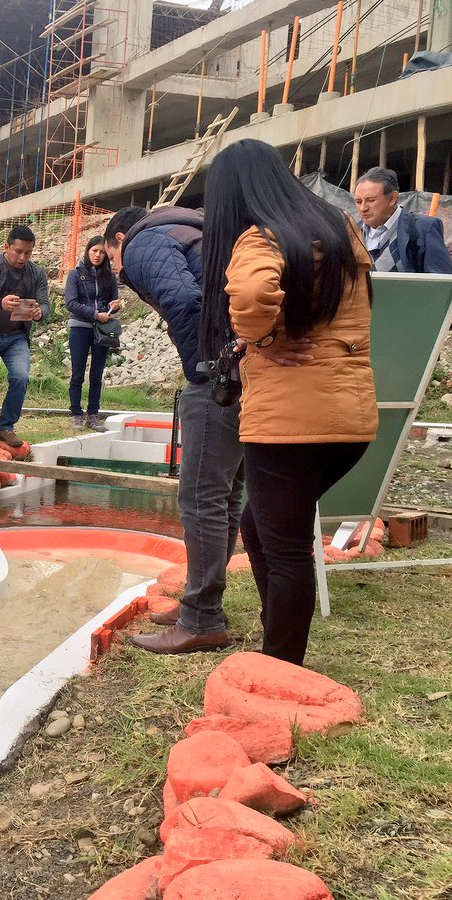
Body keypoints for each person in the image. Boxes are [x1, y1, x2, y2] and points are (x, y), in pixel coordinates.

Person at [201, 139, 377, 667]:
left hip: (289, 423)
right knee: (260, 528)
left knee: (286, 548)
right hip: (351, 418)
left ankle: (281, 666)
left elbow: (251, 295)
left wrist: (261, 337)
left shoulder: (261, 237)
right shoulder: (339, 228)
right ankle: (276, 637)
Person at [104, 205, 243, 654]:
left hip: (221, 372)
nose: (117, 270)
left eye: (112, 259)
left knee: (201, 498)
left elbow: (183, 300)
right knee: (225, 495)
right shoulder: (190, 231)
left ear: (119, 239)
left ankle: (201, 619)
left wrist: (202, 369)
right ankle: (203, 604)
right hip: (248, 366)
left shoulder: (143, 242)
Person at [0, 225, 49, 450]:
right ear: (6, 247)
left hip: (17, 337)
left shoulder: (37, 273)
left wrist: (40, 313)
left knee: (21, 377)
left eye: (28, 253)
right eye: (18, 252)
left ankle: (6, 426)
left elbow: (45, 304)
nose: (22, 257)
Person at [64, 236, 121, 430]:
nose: (98, 255)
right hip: (80, 327)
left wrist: (114, 306)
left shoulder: (109, 276)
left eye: (102, 252)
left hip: (102, 330)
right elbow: (71, 303)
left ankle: (93, 414)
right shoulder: (75, 274)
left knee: (97, 374)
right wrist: (96, 314)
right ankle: (76, 413)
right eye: (94, 251)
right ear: (88, 251)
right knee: (77, 374)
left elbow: (113, 301)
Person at [353, 166, 452, 274]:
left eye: (370, 200)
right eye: (358, 202)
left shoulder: (422, 228)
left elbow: (441, 279)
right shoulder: (353, 233)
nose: (363, 208)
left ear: (392, 198)